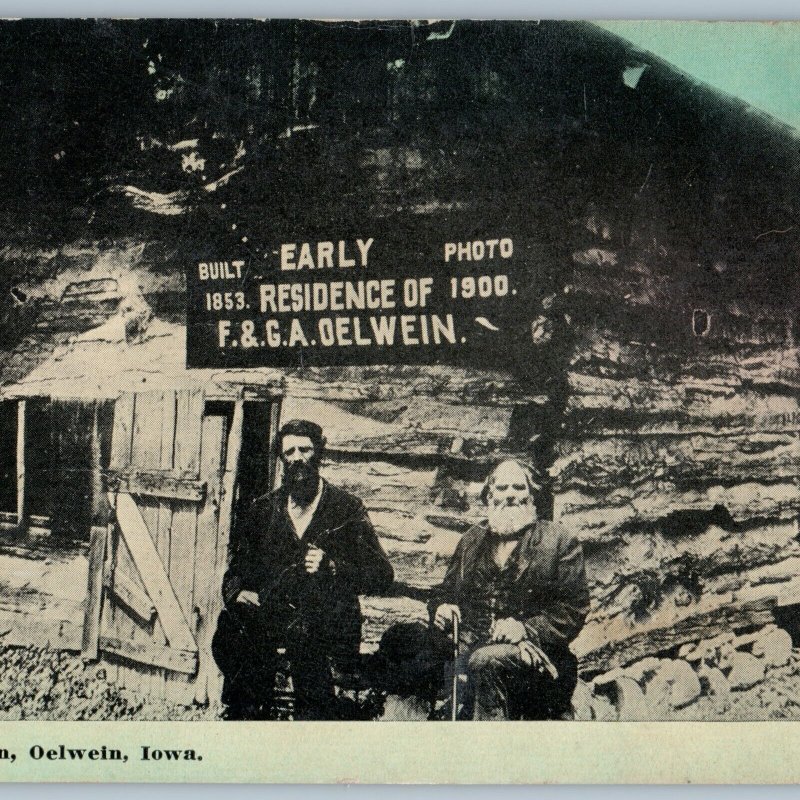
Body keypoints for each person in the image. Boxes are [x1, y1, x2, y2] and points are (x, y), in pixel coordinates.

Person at [212, 419, 394, 720]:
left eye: (305, 449)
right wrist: (238, 592)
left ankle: (313, 722)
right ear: (282, 459)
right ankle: (248, 714)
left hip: (328, 622)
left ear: (319, 454)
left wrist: (333, 567)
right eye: (289, 452)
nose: (297, 457)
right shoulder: (264, 509)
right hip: (276, 617)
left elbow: (382, 574)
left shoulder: (346, 508)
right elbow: (238, 567)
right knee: (232, 627)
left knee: (306, 641)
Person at [428, 458, 589, 720]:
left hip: (536, 657)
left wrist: (525, 628)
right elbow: (446, 592)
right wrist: (442, 608)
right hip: (470, 644)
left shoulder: (559, 541)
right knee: (406, 640)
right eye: (502, 488)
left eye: (518, 487)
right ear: (489, 495)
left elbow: (573, 609)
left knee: (486, 660)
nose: (511, 495)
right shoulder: (471, 541)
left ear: (531, 494)